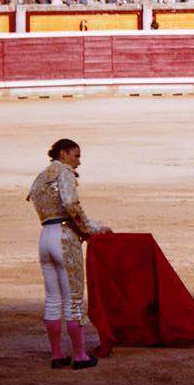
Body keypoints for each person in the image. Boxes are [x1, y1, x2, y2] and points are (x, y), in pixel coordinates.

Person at [28, 139, 112, 369]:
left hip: (45, 237)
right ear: (63, 154)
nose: (78, 161)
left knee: (53, 300)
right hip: (64, 238)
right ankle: (79, 356)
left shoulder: (41, 177)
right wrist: (91, 228)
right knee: (73, 301)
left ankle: (57, 355)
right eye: (76, 156)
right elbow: (70, 204)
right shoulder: (64, 173)